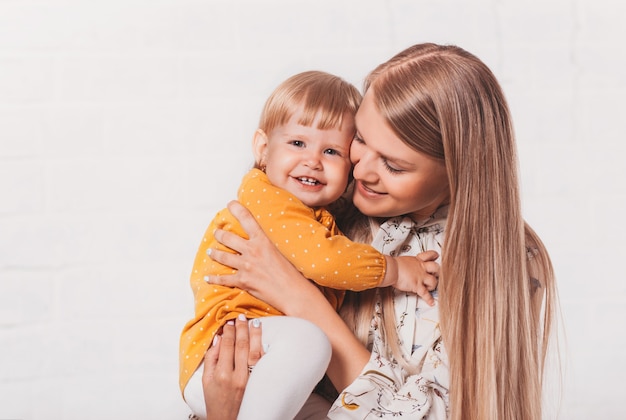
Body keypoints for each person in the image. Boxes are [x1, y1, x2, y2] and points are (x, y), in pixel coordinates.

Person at [202, 43, 559, 420]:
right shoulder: (329, 216)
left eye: (393, 165)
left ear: (458, 172)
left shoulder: (505, 258)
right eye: (359, 140)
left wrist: (299, 299)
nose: (361, 171)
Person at [179, 70, 440, 420]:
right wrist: (394, 270)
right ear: (262, 148)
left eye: (332, 151)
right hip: (233, 357)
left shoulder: (318, 212)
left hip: (270, 370)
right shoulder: (266, 197)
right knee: (310, 342)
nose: (313, 161)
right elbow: (323, 261)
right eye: (298, 143)